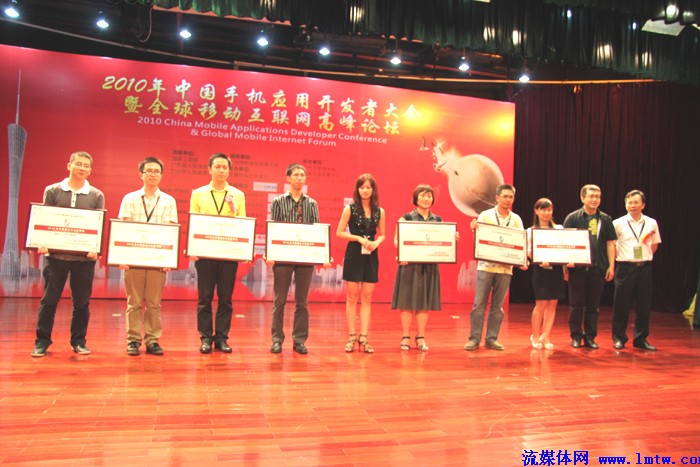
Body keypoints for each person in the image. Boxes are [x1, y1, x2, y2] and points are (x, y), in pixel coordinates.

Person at [31, 151, 105, 357]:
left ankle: (78, 341)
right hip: (56, 257)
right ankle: (42, 341)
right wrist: (42, 242)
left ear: (90, 170)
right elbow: (45, 220)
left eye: (86, 166)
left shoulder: (96, 195)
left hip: (84, 259)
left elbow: (97, 225)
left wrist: (95, 247)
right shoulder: (53, 190)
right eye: (78, 164)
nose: (82, 168)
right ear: (69, 165)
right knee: (49, 301)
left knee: (81, 303)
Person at [118, 157, 178, 356]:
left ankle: (152, 340)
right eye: (149, 171)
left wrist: (167, 259)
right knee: (133, 302)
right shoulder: (129, 199)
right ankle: (133, 340)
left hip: (157, 261)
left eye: (156, 171)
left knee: (154, 303)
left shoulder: (169, 201)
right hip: (133, 259)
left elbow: (170, 232)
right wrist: (123, 257)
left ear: (161, 175)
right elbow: (124, 229)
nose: (153, 174)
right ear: (141, 174)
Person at [189, 153, 246, 354]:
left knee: (225, 298)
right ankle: (205, 338)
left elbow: (241, 224)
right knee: (204, 298)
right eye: (217, 166)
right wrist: (193, 247)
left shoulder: (238, 195)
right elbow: (194, 222)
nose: (221, 170)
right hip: (205, 254)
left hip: (228, 254)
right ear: (209, 169)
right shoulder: (198, 193)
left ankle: (221, 338)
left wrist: (241, 250)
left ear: (229, 171)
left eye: (225, 167)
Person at [392, 184, 457, 352]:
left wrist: (452, 238)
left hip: (429, 266)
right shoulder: (406, 218)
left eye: (429, 196)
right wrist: (402, 254)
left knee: (424, 303)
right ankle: (405, 336)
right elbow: (397, 240)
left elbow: (444, 241)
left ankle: (420, 336)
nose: (426, 199)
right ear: (416, 198)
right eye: (423, 195)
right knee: (406, 302)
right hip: (409, 265)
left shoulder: (438, 220)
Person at [268, 163, 322, 355]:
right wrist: (271, 252)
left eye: (302, 175)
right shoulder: (278, 202)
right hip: (283, 257)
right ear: (288, 178)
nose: (299, 178)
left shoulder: (312, 204)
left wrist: (320, 254)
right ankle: (277, 339)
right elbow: (273, 228)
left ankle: (299, 340)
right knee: (279, 300)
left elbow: (316, 232)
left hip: (305, 258)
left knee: (302, 302)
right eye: (296, 175)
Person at [464, 184, 525, 351]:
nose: (508, 200)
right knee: (479, 304)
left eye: (511, 197)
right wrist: (474, 229)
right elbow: (479, 238)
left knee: (497, 307)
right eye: (505, 196)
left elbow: (519, 242)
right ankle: (474, 338)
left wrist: (521, 260)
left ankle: (491, 339)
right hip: (486, 267)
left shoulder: (516, 219)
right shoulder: (486, 215)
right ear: (497, 197)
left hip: (505, 269)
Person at [563, 184, 617, 349]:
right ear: (583, 198)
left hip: (598, 269)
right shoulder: (573, 218)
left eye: (597, 196)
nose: (594, 199)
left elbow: (610, 244)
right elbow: (564, 243)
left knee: (593, 307)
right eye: (591, 196)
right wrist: (565, 267)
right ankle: (576, 336)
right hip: (577, 269)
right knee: (576, 306)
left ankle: (590, 337)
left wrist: (611, 266)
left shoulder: (605, 219)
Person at [337, 174, 386, 353]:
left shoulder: (380, 211)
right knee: (352, 297)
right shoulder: (349, 209)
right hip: (354, 254)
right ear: (357, 189)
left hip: (371, 254)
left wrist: (377, 242)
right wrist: (358, 238)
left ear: (373, 190)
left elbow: (382, 234)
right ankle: (351, 336)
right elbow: (339, 232)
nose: (365, 190)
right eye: (362, 187)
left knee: (367, 297)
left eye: (368, 187)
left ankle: (363, 337)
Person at [611, 190, 661, 351]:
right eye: (629, 202)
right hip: (625, 268)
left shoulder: (651, 223)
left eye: (636, 202)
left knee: (644, 306)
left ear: (643, 205)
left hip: (645, 268)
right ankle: (619, 338)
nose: (632, 205)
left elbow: (654, 245)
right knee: (621, 305)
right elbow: (612, 245)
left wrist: (643, 257)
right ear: (625, 205)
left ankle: (641, 339)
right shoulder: (618, 223)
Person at [526, 198, 566, 350]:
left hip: (556, 270)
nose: (546, 213)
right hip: (540, 270)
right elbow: (529, 251)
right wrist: (539, 258)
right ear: (536, 211)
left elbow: (564, 249)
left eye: (549, 210)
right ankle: (535, 335)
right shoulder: (531, 231)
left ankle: (546, 336)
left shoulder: (559, 229)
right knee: (541, 304)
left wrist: (564, 266)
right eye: (543, 210)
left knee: (553, 304)